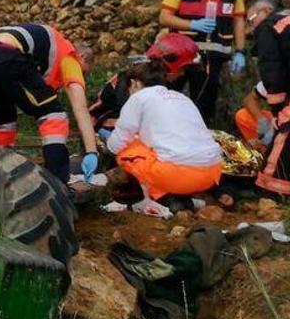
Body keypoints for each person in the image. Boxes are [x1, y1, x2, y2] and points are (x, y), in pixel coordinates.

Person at [0, 23, 98, 184]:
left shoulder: (40, 48)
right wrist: (92, 152)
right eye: (83, 72)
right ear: (81, 57)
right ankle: (58, 181)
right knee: (54, 114)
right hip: (5, 55)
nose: (80, 76)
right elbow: (80, 108)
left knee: (4, 120)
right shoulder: (69, 55)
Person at [107, 61, 222, 215]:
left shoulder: (139, 98)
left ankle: (160, 198)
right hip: (212, 172)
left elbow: (116, 144)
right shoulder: (181, 97)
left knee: (125, 152)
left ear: (134, 83)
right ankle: (184, 198)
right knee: (158, 151)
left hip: (176, 175)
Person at [159, 0, 246, 125]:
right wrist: (191, 24)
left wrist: (240, 51)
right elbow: (164, 17)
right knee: (166, 104)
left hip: (212, 58)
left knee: (202, 111)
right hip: (181, 55)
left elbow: (239, 20)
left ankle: (197, 147)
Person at [91, 33, 202, 137]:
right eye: (182, 69)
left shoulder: (150, 76)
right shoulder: (137, 83)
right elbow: (133, 117)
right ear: (168, 65)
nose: (183, 74)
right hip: (110, 125)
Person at [247, 0, 290, 194]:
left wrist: (277, 108)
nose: (250, 28)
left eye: (251, 20)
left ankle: (271, 187)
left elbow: (272, 69)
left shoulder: (268, 28)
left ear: (265, 11)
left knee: (283, 135)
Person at [234, 81, 274, 147]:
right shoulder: (275, 77)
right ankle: (259, 149)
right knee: (242, 115)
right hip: (277, 120)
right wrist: (262, 120)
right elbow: (249, 100)